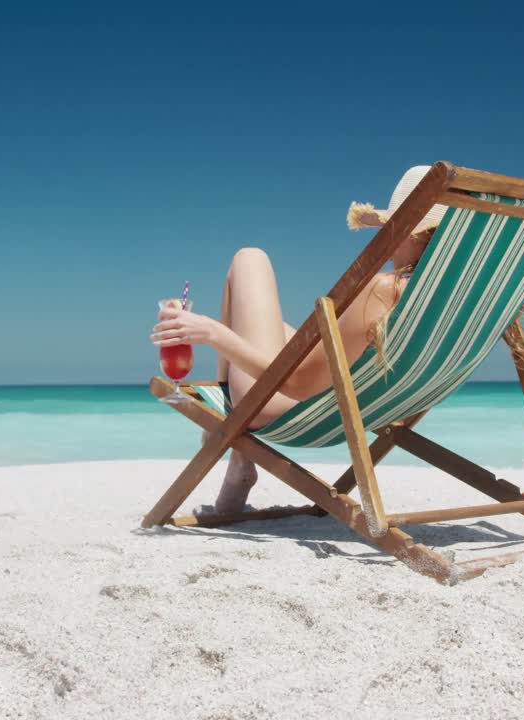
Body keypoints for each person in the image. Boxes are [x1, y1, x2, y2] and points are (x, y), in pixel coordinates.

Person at [150, 166, 447, 513]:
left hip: (291, 406)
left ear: (413, 233)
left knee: (250, 258)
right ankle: (233, 444)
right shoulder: (452, 300)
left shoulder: (384, 290)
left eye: (393, 228)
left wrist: (214, 334)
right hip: (364, 404)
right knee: (253, 305)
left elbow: (296, 384)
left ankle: (230, 432)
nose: (388, 239)